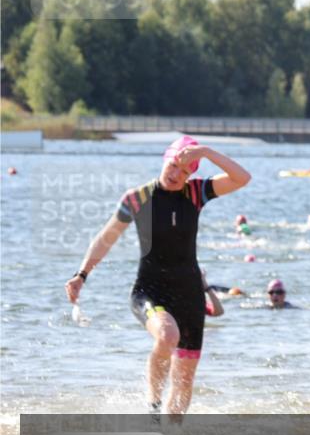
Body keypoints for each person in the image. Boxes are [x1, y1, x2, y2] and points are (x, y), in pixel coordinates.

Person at [64, 136, 251, 417]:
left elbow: (242, 177)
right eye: (174, 165)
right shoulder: (137, 198)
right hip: (149, 291)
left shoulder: (196, 193)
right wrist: (82, 275)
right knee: (166, 334)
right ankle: (152, 409)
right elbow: (106, 239)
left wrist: (207, 152)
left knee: (185, 378)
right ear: (165, 160)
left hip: (189, 295)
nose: (177, 174)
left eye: (185, 170)